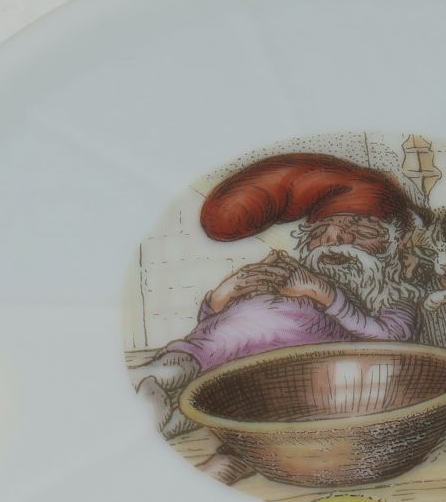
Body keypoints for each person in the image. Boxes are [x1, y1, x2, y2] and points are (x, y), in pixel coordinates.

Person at [136, 153, 428, 477]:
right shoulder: (293, 277)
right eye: (321, 231)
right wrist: (217, 301)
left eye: (358, 230)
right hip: (216, 370)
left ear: (392, 245)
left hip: (305, 392)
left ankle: (229, 460)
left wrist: (329, 297)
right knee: (199, 381)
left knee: (254, 424)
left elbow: (393, 340)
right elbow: (222, 327)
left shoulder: (392, 294)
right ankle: (164, 380)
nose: (335, 240)